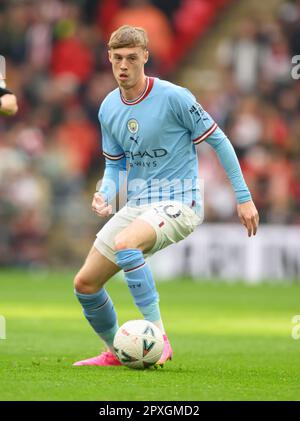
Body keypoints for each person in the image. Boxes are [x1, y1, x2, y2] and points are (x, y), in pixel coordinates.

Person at [73, 25, 259, 367]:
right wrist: (105, 193)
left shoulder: (175, 97)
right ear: (109, 59)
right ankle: (119, 352)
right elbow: (114, 167)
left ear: (146, 56)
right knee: (85, 284)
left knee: (127, 243)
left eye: (131, 58)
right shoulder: (108, 108)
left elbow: (219, 140)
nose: (124, 66)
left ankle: (158, 339)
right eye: (117, 58)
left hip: (181, 200)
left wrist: (243, 196)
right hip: (139, 204)